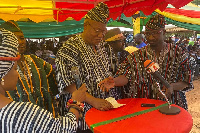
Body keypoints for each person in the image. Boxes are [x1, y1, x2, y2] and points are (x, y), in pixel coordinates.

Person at [56, 2, 127, 132]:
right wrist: (94, 101)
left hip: (105, 110)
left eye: (104, 31)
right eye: (97, 30)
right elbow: (68, 84)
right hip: (81, 115)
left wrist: (112, 81)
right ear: (86, 25)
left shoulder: (105, 47)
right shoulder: (70, 48)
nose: (101, 35)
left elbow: (114, 73)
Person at [0, 28, 88, 132]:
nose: (18, 74)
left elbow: (53, 78)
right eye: (15, 69)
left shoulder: (35, 60)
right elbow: (64, 128)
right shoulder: (22, 114)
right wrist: (75, 103)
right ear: (3, 73)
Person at [113, 14, 195, 110]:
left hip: (172, 105)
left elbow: (187, 80)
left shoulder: (179, 53)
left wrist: (172, 86)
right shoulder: (137, 55)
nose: (151, 37)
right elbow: (125, 75)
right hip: (145, 105)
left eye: (155, 33)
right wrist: (113, 82)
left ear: (164, 32)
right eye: (147, 34)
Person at [0, 20, 59, 117]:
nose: (20, 42)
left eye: (21, 38)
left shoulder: (35, 60)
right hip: (16, 118)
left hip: (42, 116)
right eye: (14, 39)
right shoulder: (3, 67)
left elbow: (52, 75)